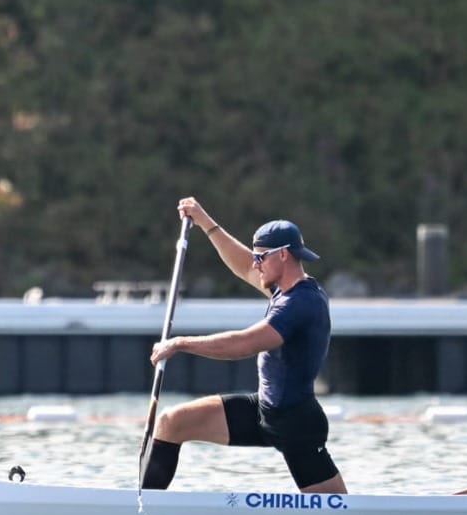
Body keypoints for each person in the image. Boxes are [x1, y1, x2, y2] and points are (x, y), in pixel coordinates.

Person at [140, 197, 346, 494]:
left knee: (334, 510)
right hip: (263, 412)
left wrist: (180, 343)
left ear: (283, 254)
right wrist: (204, 222)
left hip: (296, 424)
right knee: (172, 422)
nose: (255, 263)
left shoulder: (301, 302)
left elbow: (245, 343)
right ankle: (145, 505)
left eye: (261, 257)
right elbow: (243, 266)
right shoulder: (282, 288)